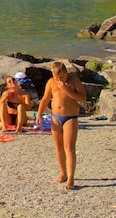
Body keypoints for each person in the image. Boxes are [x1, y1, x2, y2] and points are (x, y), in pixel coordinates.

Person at [36, 61, 87, 190]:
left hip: (70, 117)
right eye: (56, 78)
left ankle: (71, 178)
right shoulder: (51, 82)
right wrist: (39, 114)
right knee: (58, 147)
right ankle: (63, 172)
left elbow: (82, 98)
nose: (59, 80)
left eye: (62, 77)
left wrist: (66, 89)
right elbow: (45, 99)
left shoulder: (73, 80)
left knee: (69, 147)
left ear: (66, 73)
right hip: (56, 117)